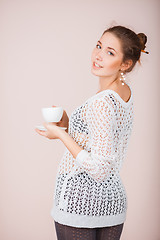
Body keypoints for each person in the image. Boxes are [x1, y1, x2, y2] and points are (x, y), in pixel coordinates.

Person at [35, 25, 148, 240]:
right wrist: (69, 125)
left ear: (125, 64)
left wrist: (61, 135)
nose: (98, 55)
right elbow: (100, 143)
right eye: (99, 46)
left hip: (80, 202)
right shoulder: (123, 94)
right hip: (111, 203)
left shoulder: (102, 102)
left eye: (110, 52)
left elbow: (100, 169)